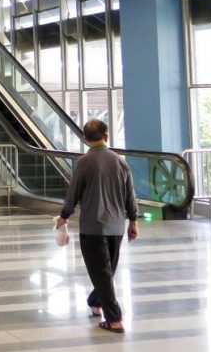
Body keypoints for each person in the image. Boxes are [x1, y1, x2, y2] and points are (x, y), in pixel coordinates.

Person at [56, 119, 138, 334]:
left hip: (92, 227)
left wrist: (64, 215)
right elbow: (130, 195)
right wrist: (134, 221)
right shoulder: (121, 162)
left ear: (85, 138)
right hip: (116, 227)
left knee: (101, 272)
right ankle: (95, 300)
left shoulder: (83, 162)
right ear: (106, 136)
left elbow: (73, 192)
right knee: (106, 271)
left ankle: (114, 319)